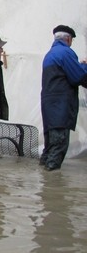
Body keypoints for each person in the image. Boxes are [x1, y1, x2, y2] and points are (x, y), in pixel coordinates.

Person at [39, 25, 87, 171]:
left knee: (49, 147)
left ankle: (45, 180)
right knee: (59, 146)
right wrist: (85, 66)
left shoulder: (51, 53)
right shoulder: (66, 52)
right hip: (60, 107)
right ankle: (52, 186)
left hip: (49, 108)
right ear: (68, 39)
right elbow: (78, 77)